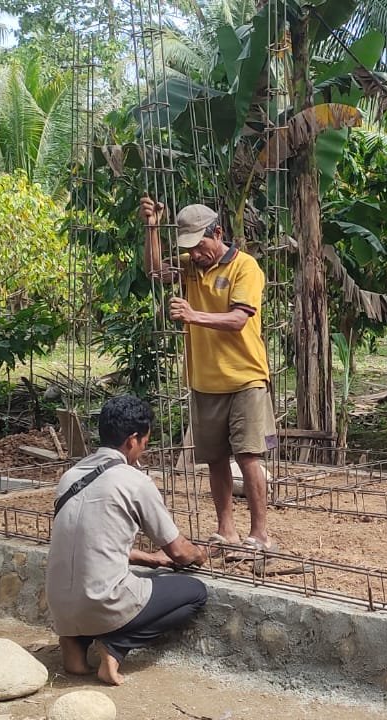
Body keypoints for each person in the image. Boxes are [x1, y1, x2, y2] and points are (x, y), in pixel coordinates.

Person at [140, 197, 278, 552]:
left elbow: (238, 319)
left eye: (199, 245)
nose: (194, 254)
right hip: (204, 380)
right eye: (188, 248)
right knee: (215, 458)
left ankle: (260, 535)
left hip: (245, 377)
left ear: (218, 234)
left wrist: (192, 315)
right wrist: (152, 227)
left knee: (248, 455)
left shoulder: (245, 268)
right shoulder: (191, 266)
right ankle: (226, 531)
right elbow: (155, 272)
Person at [47, 395, 208, 686]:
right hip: (102, 603)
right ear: (132, 440)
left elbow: (90, 543)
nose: (143, 450)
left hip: (59, 606)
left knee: (104, 587)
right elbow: (179, 552)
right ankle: (116, 646)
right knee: (195, 593)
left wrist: (151, 559)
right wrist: (200, 554)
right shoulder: (134, 481)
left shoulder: (69, 477)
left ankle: (73, 644)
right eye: (145, 442)